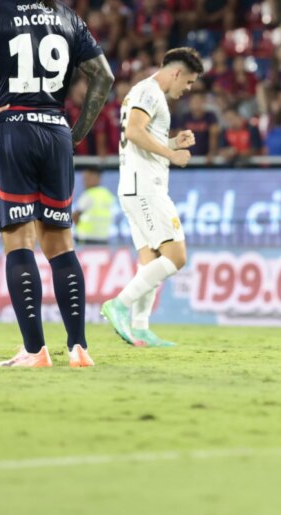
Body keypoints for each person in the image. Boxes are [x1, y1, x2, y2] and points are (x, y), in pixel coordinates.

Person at [0, 0, 115, 368]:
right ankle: (79, 348)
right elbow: (104, 78)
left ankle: (34, 351)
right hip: (55, 131)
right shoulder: (66, 15)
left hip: (12, 130)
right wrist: (77, 131)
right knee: (62, 244)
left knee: (19, 243)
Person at [101, 48, 203, 349]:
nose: (187, 90)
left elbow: (139, 139)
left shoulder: (143, 91)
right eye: (188, 82)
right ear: (176, 73)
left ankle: (140, 327)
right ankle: (118, 305)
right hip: (145, 187)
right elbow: (133, 132)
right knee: (176, 257)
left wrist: (171, 141)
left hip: (134, 185)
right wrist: (172, 153)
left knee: (152, 260)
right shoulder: (150, 91)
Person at [74, 169, 118, 246]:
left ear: (98, 178)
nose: (85, 182)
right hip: (104, 237)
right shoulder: (107, 194)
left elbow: (75, 216)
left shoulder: (88, 194)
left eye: (87, 178)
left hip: (86, 238)